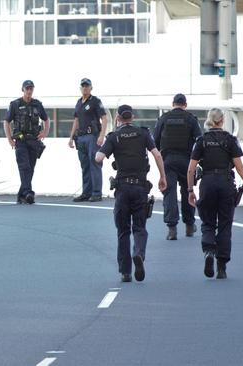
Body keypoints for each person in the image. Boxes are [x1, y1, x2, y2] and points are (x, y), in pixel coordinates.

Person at [96, 105, 167, 282]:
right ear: (133, 117)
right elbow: (157, 155)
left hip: (122, 189)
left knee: (123, 231)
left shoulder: (114, 137)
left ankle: (125, 272)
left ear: (118, 118)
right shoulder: (143, 133)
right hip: (140, 188)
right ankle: (139, 254)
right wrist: (162, 177)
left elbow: (98, 157)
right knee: (140, 227)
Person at [186, 108, 243, 279]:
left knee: (208, 222)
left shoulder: (201, 141)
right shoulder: (230, 140)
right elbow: (239, 167)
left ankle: (209, 251)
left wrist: (190, 190)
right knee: (225, 225)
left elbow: (191, 169)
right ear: (222, 120)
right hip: (226, 184)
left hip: (208, 183)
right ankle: (222, 267)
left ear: (210, 120)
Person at [154, 93, 202, 240]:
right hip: (186, 161)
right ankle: (189, 226)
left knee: (170, 193)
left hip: (167, 160)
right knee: (188, 191)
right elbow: (199, 141)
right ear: (185, 104)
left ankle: (172, 229)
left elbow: (155, 141)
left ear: (172, 103)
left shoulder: (164, 118)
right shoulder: (191, 119)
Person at [3, 80, 51, 204]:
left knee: (30, 168)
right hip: (20, 140)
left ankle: (21, 195)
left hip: (34, 140)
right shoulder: (15, 104)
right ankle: (29, 193)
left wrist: (45, 132)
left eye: (31, 89)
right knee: (24, 167)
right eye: (27, 88)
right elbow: (6, 122)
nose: (29, 91)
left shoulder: (37, 104)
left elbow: (46, 119)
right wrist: (9, 139)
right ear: (23, 90)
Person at [69, 78, 109, 202]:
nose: (85, 88)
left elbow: (104, 118)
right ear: (80, 88)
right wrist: (71, 137)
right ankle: (86, 193)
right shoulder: (78, 102)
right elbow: (76, 121)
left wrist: (102, 135)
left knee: (95, 164)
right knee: (85, 165)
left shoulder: (95, 101)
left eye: (87, 86)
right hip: (80, 138)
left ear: (91, 88)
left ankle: (96, 193)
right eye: (83, 86)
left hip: (92, 136)